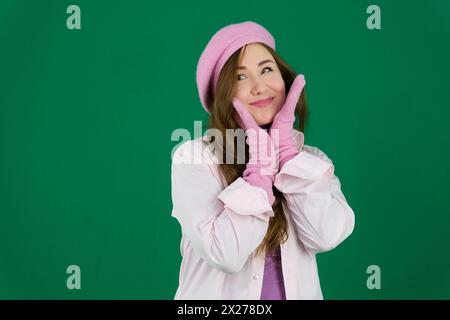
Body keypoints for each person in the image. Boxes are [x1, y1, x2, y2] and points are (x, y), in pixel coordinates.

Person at [170, 21, 355, 300]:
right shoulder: (195, 159)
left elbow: (326, 236)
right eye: (240, 77)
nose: (259, 87)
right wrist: (259, 171)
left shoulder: (310, 160)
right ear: (223, 95)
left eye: (266, 69)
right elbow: (226, 254)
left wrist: (286, 156)